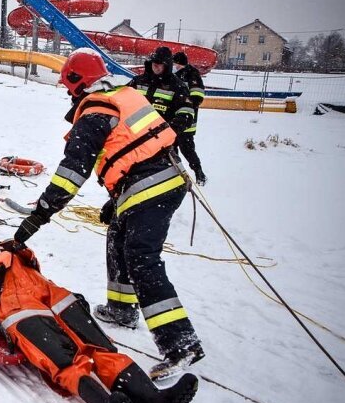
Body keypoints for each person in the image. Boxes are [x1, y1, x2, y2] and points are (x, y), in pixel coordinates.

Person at [13, 48, 204, 380]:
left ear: (77, 81)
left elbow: (73, 170)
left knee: (141, 257)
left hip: (151, 186)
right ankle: (121, 309)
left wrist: (41, 212)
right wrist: (115, 201)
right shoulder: (123, 94)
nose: (67, 92)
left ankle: (180, 344)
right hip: (155, 179)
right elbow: (137, 146)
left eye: (67, 85)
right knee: (118, 237)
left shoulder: (95, 110)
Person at [0, 240, 199, 403]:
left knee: (100, 347)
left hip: (48, 290)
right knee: (61, 357)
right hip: (11, 299)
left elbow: (31, 262)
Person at [128, 46, 195, 157]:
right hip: (134, 139)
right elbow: (123, 100)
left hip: (163, 144)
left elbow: (186, 113)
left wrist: (167, 131)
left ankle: (199, 172)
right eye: (154, 62)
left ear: (167, 65)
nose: (155, 65)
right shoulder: (138, 81)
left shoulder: (177, 86)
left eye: (159, 63)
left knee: (165, 172)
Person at [172, 51, 207, 185]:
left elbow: (197, 96)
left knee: (187, 149)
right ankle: (176, 176)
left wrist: (185, 104)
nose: (174, 66)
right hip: (174, 120)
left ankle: (199, 174)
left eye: (175, 64)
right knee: (172, 149)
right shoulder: (176, 75)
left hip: (186, 121)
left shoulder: (192, 74)